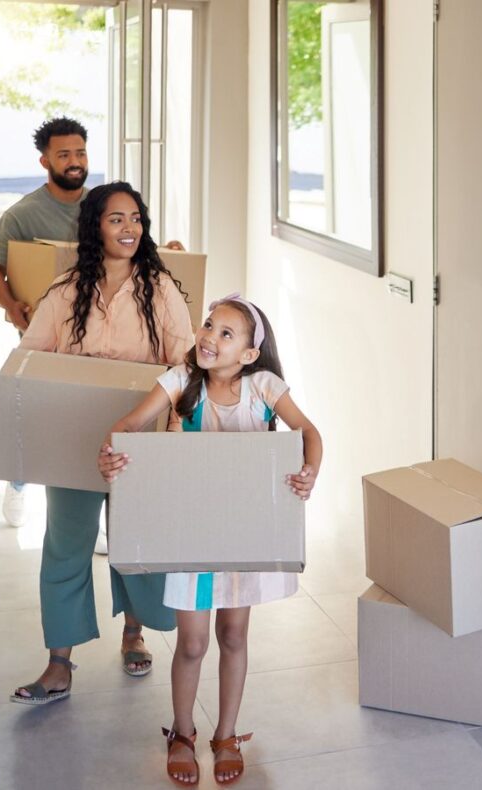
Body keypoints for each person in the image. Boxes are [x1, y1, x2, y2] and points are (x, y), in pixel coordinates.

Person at [98, 294, 322, 786]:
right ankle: (181, 733)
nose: (209, 337)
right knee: (194, 643)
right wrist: (113, 449)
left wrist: (309, 472)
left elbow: (307, 431)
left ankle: (226, 735)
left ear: (248, 354)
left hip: (242, 537)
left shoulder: (263, 387)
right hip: (191, 534)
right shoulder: (180, 382)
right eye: (208, 326)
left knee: (234, 636)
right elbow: (130, 425)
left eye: (226, 333)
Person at [10, 181, 193, 705]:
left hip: (141, 441)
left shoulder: (160, 290)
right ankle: (58, 664)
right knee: (66, 545)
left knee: (135, 542)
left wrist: (173, 439)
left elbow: (184, 369)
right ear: (95, 226)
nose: (129, 228)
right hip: (74, 439)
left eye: (136, 218)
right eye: (116, 219)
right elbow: (32, 358)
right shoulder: (67, 289)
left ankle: (134, 634)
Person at [0, 117, 91, 530]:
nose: (74, 161)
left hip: (99, 337)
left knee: (90, 423)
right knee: (38, 419)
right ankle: (19, 479)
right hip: (44, 337)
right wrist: (11, 306)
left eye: (79, 152)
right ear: (45, 160)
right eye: (64, 154)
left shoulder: (103, 206)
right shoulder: (23, 215)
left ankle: (96, 517)